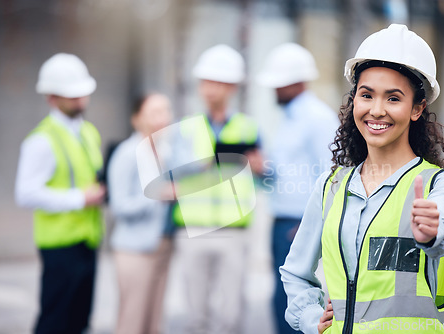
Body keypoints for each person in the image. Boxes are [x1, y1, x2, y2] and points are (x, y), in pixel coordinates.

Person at [280, 24, 444, 334]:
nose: (377, 110)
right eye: (367, 95)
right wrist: (309, 317)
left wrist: (433, 232)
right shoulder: (331, 187)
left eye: (393, 99)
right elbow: (296, 272)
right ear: (354, 100)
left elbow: (443, 229)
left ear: (417, 108)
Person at [172, 44, 263, 334]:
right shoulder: (184, 128)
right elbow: (170, 171)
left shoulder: (249, 128)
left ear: (232, 87)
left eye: (218, 82)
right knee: (196, 314)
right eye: (206, 82)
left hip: (233, 232)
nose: (210, 89)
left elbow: (263, 179)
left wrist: (260, 167)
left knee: (232, 315)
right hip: (193, 231)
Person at [15, 53, 106, 334]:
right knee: (55, 322)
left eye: (83, 94)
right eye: (72, 95)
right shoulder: (41, 140)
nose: (81, 100)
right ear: (51, 98)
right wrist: (80, 198)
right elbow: (25, 193)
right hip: (59, 247)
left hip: (88, 241)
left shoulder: (89, 132)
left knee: (80, 322)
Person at [256, 42, 339, 334]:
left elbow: (333, 176)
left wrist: (309, 224)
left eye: (279, 84)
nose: (274, 90)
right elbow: (287, 173)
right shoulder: (288, 119)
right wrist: (261, 169)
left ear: (298, 82)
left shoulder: (318, 119)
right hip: (282, 222)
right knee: (280, 303)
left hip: (297, 224)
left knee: (295, 303)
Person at [108, 93, 175, 334]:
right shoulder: (127, 153)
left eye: (165, 111)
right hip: (134, 250)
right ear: (137, 118)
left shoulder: (165, 153)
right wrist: (157, 194)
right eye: (154, 112)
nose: (162, 118)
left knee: (154, 322)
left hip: (162, 245)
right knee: (132, 323)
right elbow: (119, 205)